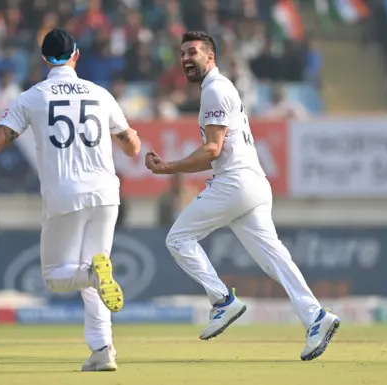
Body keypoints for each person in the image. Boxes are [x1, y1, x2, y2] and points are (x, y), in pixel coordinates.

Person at [0, 28, 141, 372]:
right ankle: (102, 350)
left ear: (43, 59)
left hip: (65, 194)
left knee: (56, 276)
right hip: (107, 194)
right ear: (76, 55)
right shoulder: (101, 94)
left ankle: (97, 290)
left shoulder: (32, 98)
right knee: (94, 266)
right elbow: (131, 146)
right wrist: (133, 138)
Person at [144, 31, 340, 361]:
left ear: (211, 57)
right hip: (252, 183)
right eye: (182, 54)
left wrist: (168, 168)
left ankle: (222, 302)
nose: (186, 58)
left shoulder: (216, 89)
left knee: (178, 239)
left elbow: (212, 149)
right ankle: (316, 318)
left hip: (234, 183)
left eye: (193, 52)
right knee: (275, 259)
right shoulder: (217, 88)